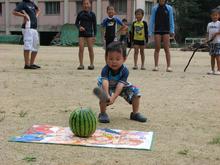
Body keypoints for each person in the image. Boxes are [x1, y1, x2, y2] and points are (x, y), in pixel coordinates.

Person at [97, 41, 147, 123]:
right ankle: (103, 113)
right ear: (106, 58)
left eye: (117, 59)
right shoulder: (106, 69)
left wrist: (113, 98)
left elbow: (120, 85)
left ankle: (135, 113)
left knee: (136, 92)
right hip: (106, 85)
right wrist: (107, 95)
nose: (114, 61)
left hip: (120, 85)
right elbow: (105, 82)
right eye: (110, 59)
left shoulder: (125, 71)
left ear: (124, 59)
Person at [12, 0, 41, 69]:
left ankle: (32, 63)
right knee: (27, 46)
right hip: (27, 27)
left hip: (34, 28)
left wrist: (36, 16)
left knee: (36, 46)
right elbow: (14, 12)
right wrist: (24, 15)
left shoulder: (32, 3)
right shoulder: (23, 4)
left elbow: (38, 10)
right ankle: (27, 65)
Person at [149, 0, 175, 72]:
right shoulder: (154, 8)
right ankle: (156, 66)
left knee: (166, 48)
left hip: (166, 30)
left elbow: (171, 20)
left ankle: (169, 66)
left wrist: (172, 30)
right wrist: (150, 32)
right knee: (157, 48)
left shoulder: (169, 8)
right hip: (157, 30)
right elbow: (152, 20)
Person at [75, 0, 97, 70]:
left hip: (90, 34)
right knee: (81, 49)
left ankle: (91, 64)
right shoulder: (80, 13)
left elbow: (95, 26)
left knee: (90, 49)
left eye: (87, 3)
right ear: (82, 5)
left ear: (90, 5)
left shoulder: (92, 14)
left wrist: (94, 35)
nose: (86, 5)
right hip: (81, 34)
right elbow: (76, 23)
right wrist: (79, 27)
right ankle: (81, 64)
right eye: (84, 4)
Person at [206, 9, 220, 75]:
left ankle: (219, 70)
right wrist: (206, 40)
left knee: (217, 56)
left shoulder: (219, 23)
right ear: (211, 16)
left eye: (216, 15)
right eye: (213, 15)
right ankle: (212, 69)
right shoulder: (209, 24)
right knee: (212, 56)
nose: (215, 16)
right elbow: (207, 33)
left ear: (218, 16)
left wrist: (216, 33)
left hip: (217, 42)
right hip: (211, 43)